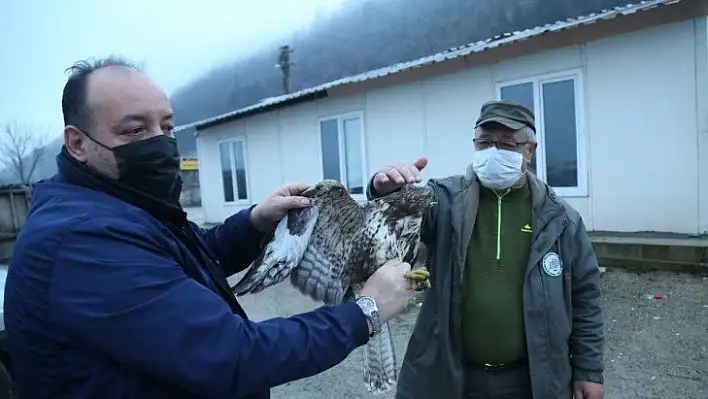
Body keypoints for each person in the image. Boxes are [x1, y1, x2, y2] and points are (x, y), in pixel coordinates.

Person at [3, 57, 417, 399]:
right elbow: (233, 355)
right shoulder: (80, 242)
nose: (160, 142)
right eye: (134, 130)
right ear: (77, 143)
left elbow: (175, 261)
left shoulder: (115, 205)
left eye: (166, 127)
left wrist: (254, 223)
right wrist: (365, 311)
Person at [367, 100, 605, 399]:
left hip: (530, 381)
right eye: (485, 142)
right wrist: (384, 191)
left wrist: (588, 371)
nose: (494, 151)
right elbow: (397, 217)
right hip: (452, 377)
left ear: (529, 151)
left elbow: (585, 299)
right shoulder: (444, 200)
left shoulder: (561, 219)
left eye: (507, 143)